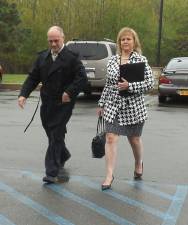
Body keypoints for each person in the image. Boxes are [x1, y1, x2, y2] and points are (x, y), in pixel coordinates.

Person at [18, 26, 87, 183]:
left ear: (63, 38)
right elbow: (32, 78)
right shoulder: (42, 57)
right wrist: (23, 94)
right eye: (51, 41)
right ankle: (63, 154)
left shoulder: (72, 57)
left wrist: (69, 92)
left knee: (55, 133)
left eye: (56, 40)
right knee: (50, 130)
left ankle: (51, 172)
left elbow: (82, 78)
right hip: (47, 101)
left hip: (64, 103)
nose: (54, 44)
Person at [97, 27, 154, 190]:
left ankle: (138, 163)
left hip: (133, 108)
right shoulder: (112, 61)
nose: (125, 42)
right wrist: (101, 103)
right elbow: (108, 85)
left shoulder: (141, 60)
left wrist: (130, 85)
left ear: (134, 41)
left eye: (128, 39)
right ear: (119, 42)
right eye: (122, 39)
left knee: (134, 139)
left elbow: (149, 84)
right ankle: (109, 175)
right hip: (113, 106)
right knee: (110, 138)